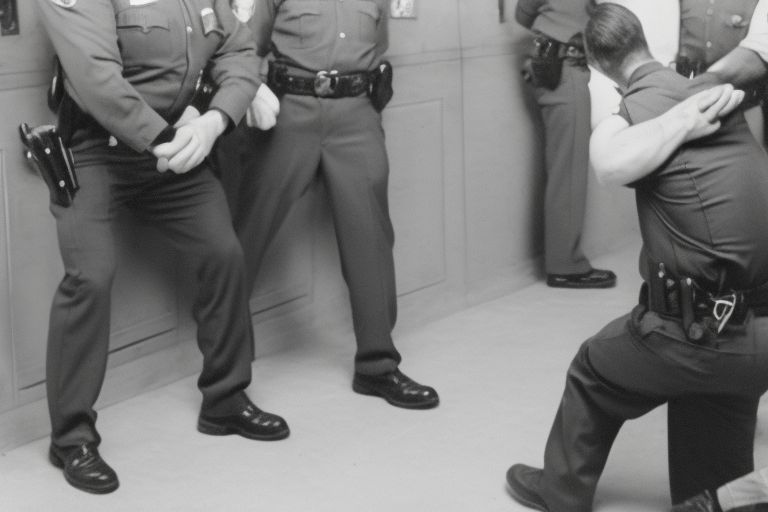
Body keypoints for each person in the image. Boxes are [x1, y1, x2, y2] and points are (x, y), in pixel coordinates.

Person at [505, 4, 768, 510]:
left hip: (697, 338)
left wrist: (670, 124)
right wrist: (686, 117)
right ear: (645, 41)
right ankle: (712, 497)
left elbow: (607, 163)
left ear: (601, 68)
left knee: (592, 369)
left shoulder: (637, 115)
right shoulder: (716, 97)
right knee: (708, 428)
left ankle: (562, 494)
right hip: (759, 337)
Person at [34, 0, 289, 495]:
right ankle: (71, 437)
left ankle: (225, 400)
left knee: (223, 253)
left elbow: (239, 52)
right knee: (91, 275)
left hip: (181, 143)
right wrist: (166, 139)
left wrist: (213, 123)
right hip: (98, 152)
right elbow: (94, 80)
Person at [214, 0, 439, 409]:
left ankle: (377, 365)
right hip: (287, 111)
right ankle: (225, 364)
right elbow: (247, 46)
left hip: (357, 112)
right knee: (249, 232)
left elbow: (377, 46)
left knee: (370, 237)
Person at [515, 0, 616, 289]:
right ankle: (565, 265)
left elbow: (523, 14)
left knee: (563, 167)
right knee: (568, 170)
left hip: (546, 61)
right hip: (564, 67)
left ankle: (563, 260)